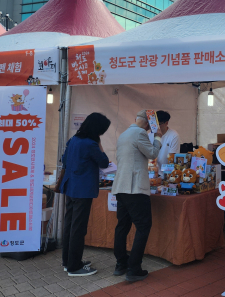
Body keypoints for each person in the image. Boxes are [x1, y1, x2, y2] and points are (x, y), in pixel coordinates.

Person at [112, 110, 163, 281]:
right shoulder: (140, 134)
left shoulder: (123, 134)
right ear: (148, 124)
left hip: (120, 186)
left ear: (136, 119)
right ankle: (134, 268)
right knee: (143, 226)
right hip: (134, 188)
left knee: (122, 226)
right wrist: (158, 137)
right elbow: (152, 154)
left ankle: (121, 263)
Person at [61, 113, 111, 277]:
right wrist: (100, 145)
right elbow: (104, 162)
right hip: (83, 190)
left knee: (70, 225)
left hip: (70, 186)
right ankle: (74, 267)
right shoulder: (91, 144)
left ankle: (68, 262)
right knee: (78, 228)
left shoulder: (73, 140)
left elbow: (64, 160)